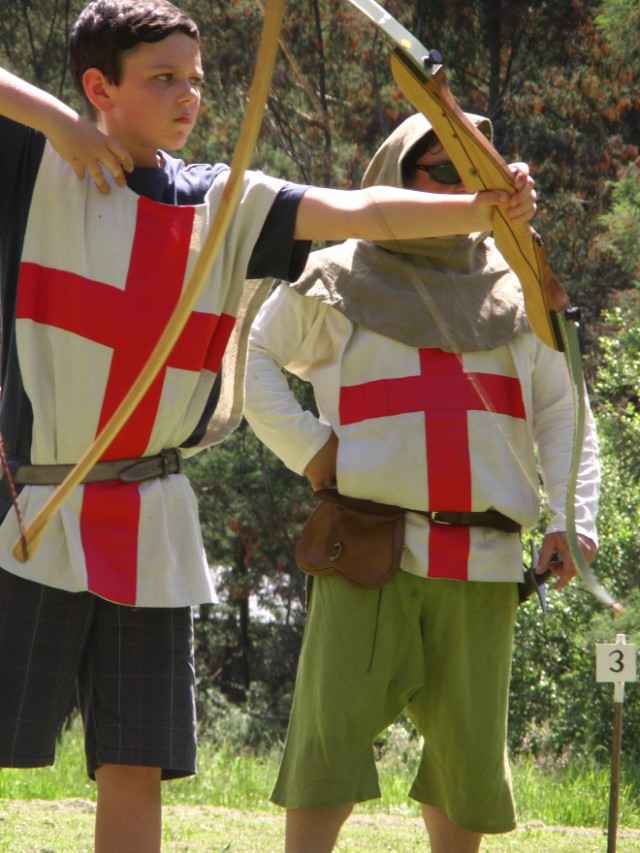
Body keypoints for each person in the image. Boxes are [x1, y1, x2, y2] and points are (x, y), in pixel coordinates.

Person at [0, 2, 539, 851]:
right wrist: (63, 126)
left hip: (152, 516)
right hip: (34, 508)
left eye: (199, 80)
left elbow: (362, 215)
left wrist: (482, 208)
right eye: (163, 79)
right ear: (99, 85)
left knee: (135, 760)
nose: (190, 97)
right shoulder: (35, 163)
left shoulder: (225, 198)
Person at [243, 111, 599, 853]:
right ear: (397, 177)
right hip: (367, 551)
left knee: (465, 766)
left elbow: (564, 409)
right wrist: (315, 453)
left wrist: (572, 520)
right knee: (326, 749)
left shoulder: (523, 286)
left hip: (483, 562)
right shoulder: (338, 274)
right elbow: (257, 358)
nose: (462, 190)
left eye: (474, 174)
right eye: (443, 172)